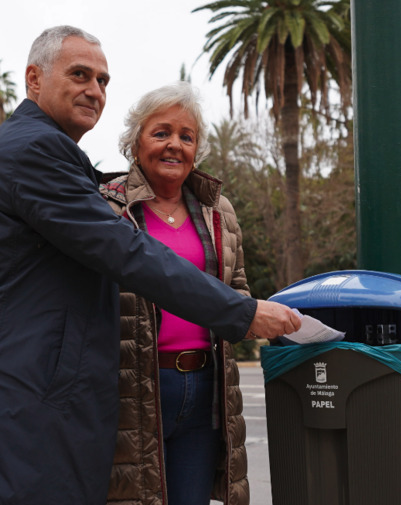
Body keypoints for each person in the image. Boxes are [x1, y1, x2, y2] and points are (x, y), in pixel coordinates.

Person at [0, 26, 300, 505]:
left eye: (104, 80)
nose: (94, 90)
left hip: (22, 421)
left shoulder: (56, 154)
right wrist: (242, 313)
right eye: (80, 74)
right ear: (33, 80)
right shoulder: (35, 152)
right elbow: (126, 252)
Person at [99, 82, 251, 505]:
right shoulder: (108, 208)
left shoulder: (219, 212)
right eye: (161, 132)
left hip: (206, 389)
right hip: (132, 389)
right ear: (135, 141)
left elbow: (237, 292)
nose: (174, 145)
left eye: (187, 136)